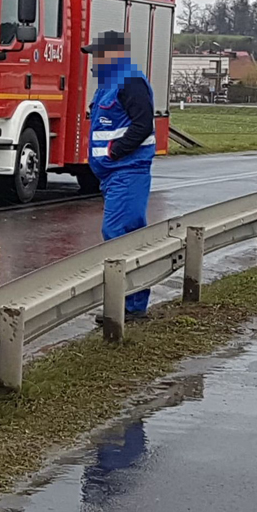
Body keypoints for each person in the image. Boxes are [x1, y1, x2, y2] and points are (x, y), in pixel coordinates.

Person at [84, 30, 156, 316]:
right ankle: (128, 304)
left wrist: (116, 151)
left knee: (119, 234)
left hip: (128, 171)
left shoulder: (130, 82)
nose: (93, 61)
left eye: (97, 55)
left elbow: (143, 125)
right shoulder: (109, 83)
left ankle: (129, 306)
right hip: (113, 175)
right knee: (126, 234)